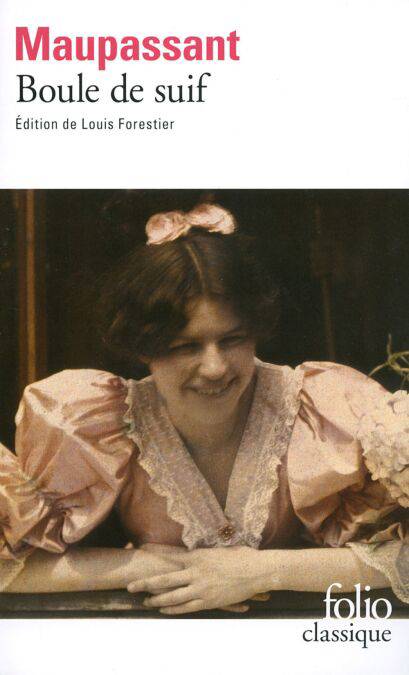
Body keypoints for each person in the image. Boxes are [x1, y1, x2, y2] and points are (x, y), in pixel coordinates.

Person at [1, 204, 408, 615]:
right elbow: (11, 565)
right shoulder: (93, 423)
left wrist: (263, 571)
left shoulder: (326, 409)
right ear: (144, 348)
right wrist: (142, 565)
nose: (215, 368)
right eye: (186, 347)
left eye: (232, 340)